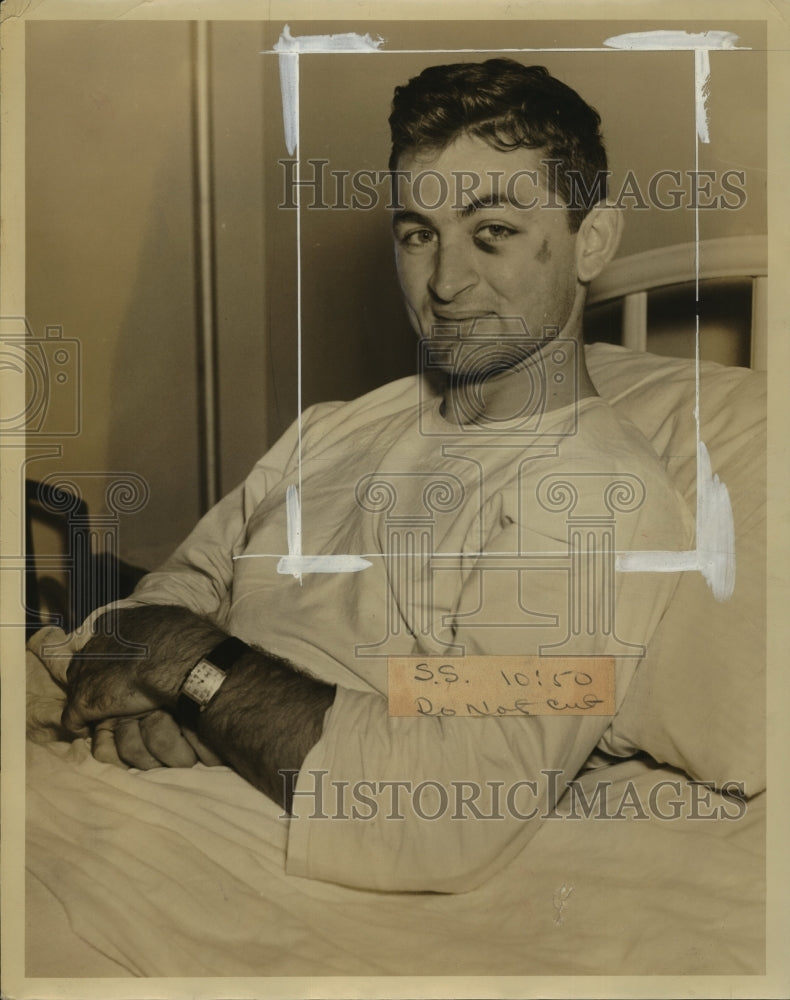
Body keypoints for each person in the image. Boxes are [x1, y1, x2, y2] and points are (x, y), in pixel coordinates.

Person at [53, 59, 693, 892]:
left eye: (491, 231)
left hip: (264, 856)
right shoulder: (337, 427)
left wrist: (195, 671)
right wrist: (179, 678)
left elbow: (453, 803)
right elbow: (159, 606)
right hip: (116, 796)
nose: (445, 283)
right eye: (419, 233)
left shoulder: (596, 492)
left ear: (593, 240)